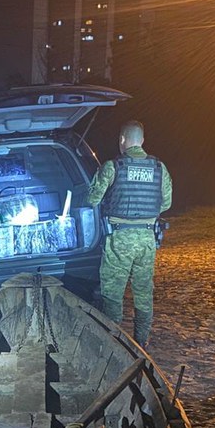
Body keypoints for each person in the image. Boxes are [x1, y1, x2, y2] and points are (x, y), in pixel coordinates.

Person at [87, 120, 172, 348]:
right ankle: (141, 343)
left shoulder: (113, 166)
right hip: (147, 239)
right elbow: (166, 203)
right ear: (142, 141)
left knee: (112, 293)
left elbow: (92, 199)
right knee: (143, 292)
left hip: (119, 239)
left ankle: (116, 343)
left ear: (122, 140)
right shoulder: (158, 168)